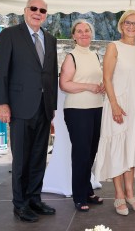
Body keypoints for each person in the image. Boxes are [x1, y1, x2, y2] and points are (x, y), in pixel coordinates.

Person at [0, 0, 58, 222]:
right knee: (21, 159)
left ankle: (34, 199)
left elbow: (51, 75)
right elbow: (1, 71)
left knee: (39, 157)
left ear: (46, 15)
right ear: (25, 11)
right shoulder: (10, 35)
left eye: (42, 10)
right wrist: (2, 103)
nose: (38, 13)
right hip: (20, 107)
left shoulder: (50, 39)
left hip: (43, 108)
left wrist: (53, 109)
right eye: (34, 8)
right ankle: (20, 204)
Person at [94, 10, 135, 216]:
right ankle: (119, 196)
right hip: (118, 107)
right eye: (128, 22)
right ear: (121, 25)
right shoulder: (113, 47)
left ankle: (130, 194)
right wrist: (115, 105)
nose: (132, 26)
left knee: (131, 149)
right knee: (118, 149)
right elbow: (107, 79)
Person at [59, 19, 105, 212]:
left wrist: (102, 86)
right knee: (81, 154)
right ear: (73, 35)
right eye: (80, 31)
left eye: (87, 30)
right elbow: (64, 84)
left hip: (97, 108)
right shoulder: (71, 57)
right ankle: (78, 196)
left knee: (91, 152)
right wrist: (89, 87)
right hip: (77, 111)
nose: (84, 33)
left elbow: (99, 80)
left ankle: (87, 190)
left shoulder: (95, 55)